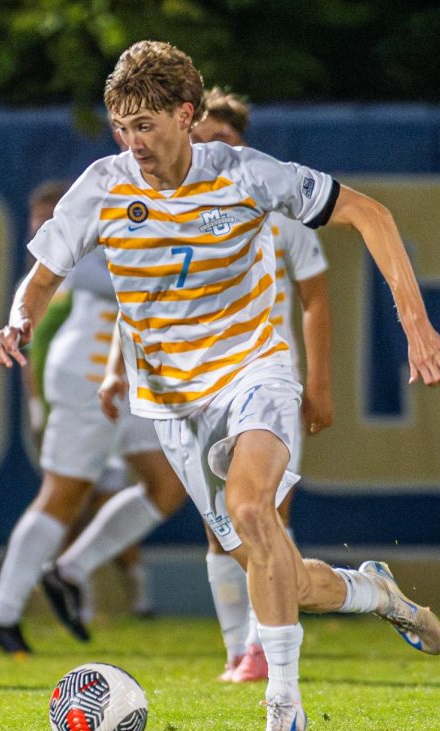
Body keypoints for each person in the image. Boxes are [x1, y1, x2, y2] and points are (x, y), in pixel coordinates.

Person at [0, 40, 440, 731]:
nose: (133, 142)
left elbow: (373, 216)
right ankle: (375, 592)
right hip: (174, 408)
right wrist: (20, 315)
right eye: (122, 126)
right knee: (281, 574)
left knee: (249, 505)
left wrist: (416, 326)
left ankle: (284, 708)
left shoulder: (244, 176)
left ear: (186, 115)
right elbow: (46, 271)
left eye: (146, 124)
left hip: (254, 375)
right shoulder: (103, 186)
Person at [0, 169, 189, 655]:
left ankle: (69, 570)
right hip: (93, 367)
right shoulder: (110, 204)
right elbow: (67, 272)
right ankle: (1, 612)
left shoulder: (171, 201)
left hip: (130, 371)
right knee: (63, 494)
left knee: (169, 483)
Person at [190, 88, 334, 683]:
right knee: (220, 523)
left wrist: (319, 382)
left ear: (241, 143)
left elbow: (316, 296)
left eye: (223, 140)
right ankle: (235, 649)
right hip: (202, 383)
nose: (212, 150)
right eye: (203, 140)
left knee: (266, 509)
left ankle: (259, 648)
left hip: (269, 380)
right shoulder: (178, 215)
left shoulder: (277, 209)